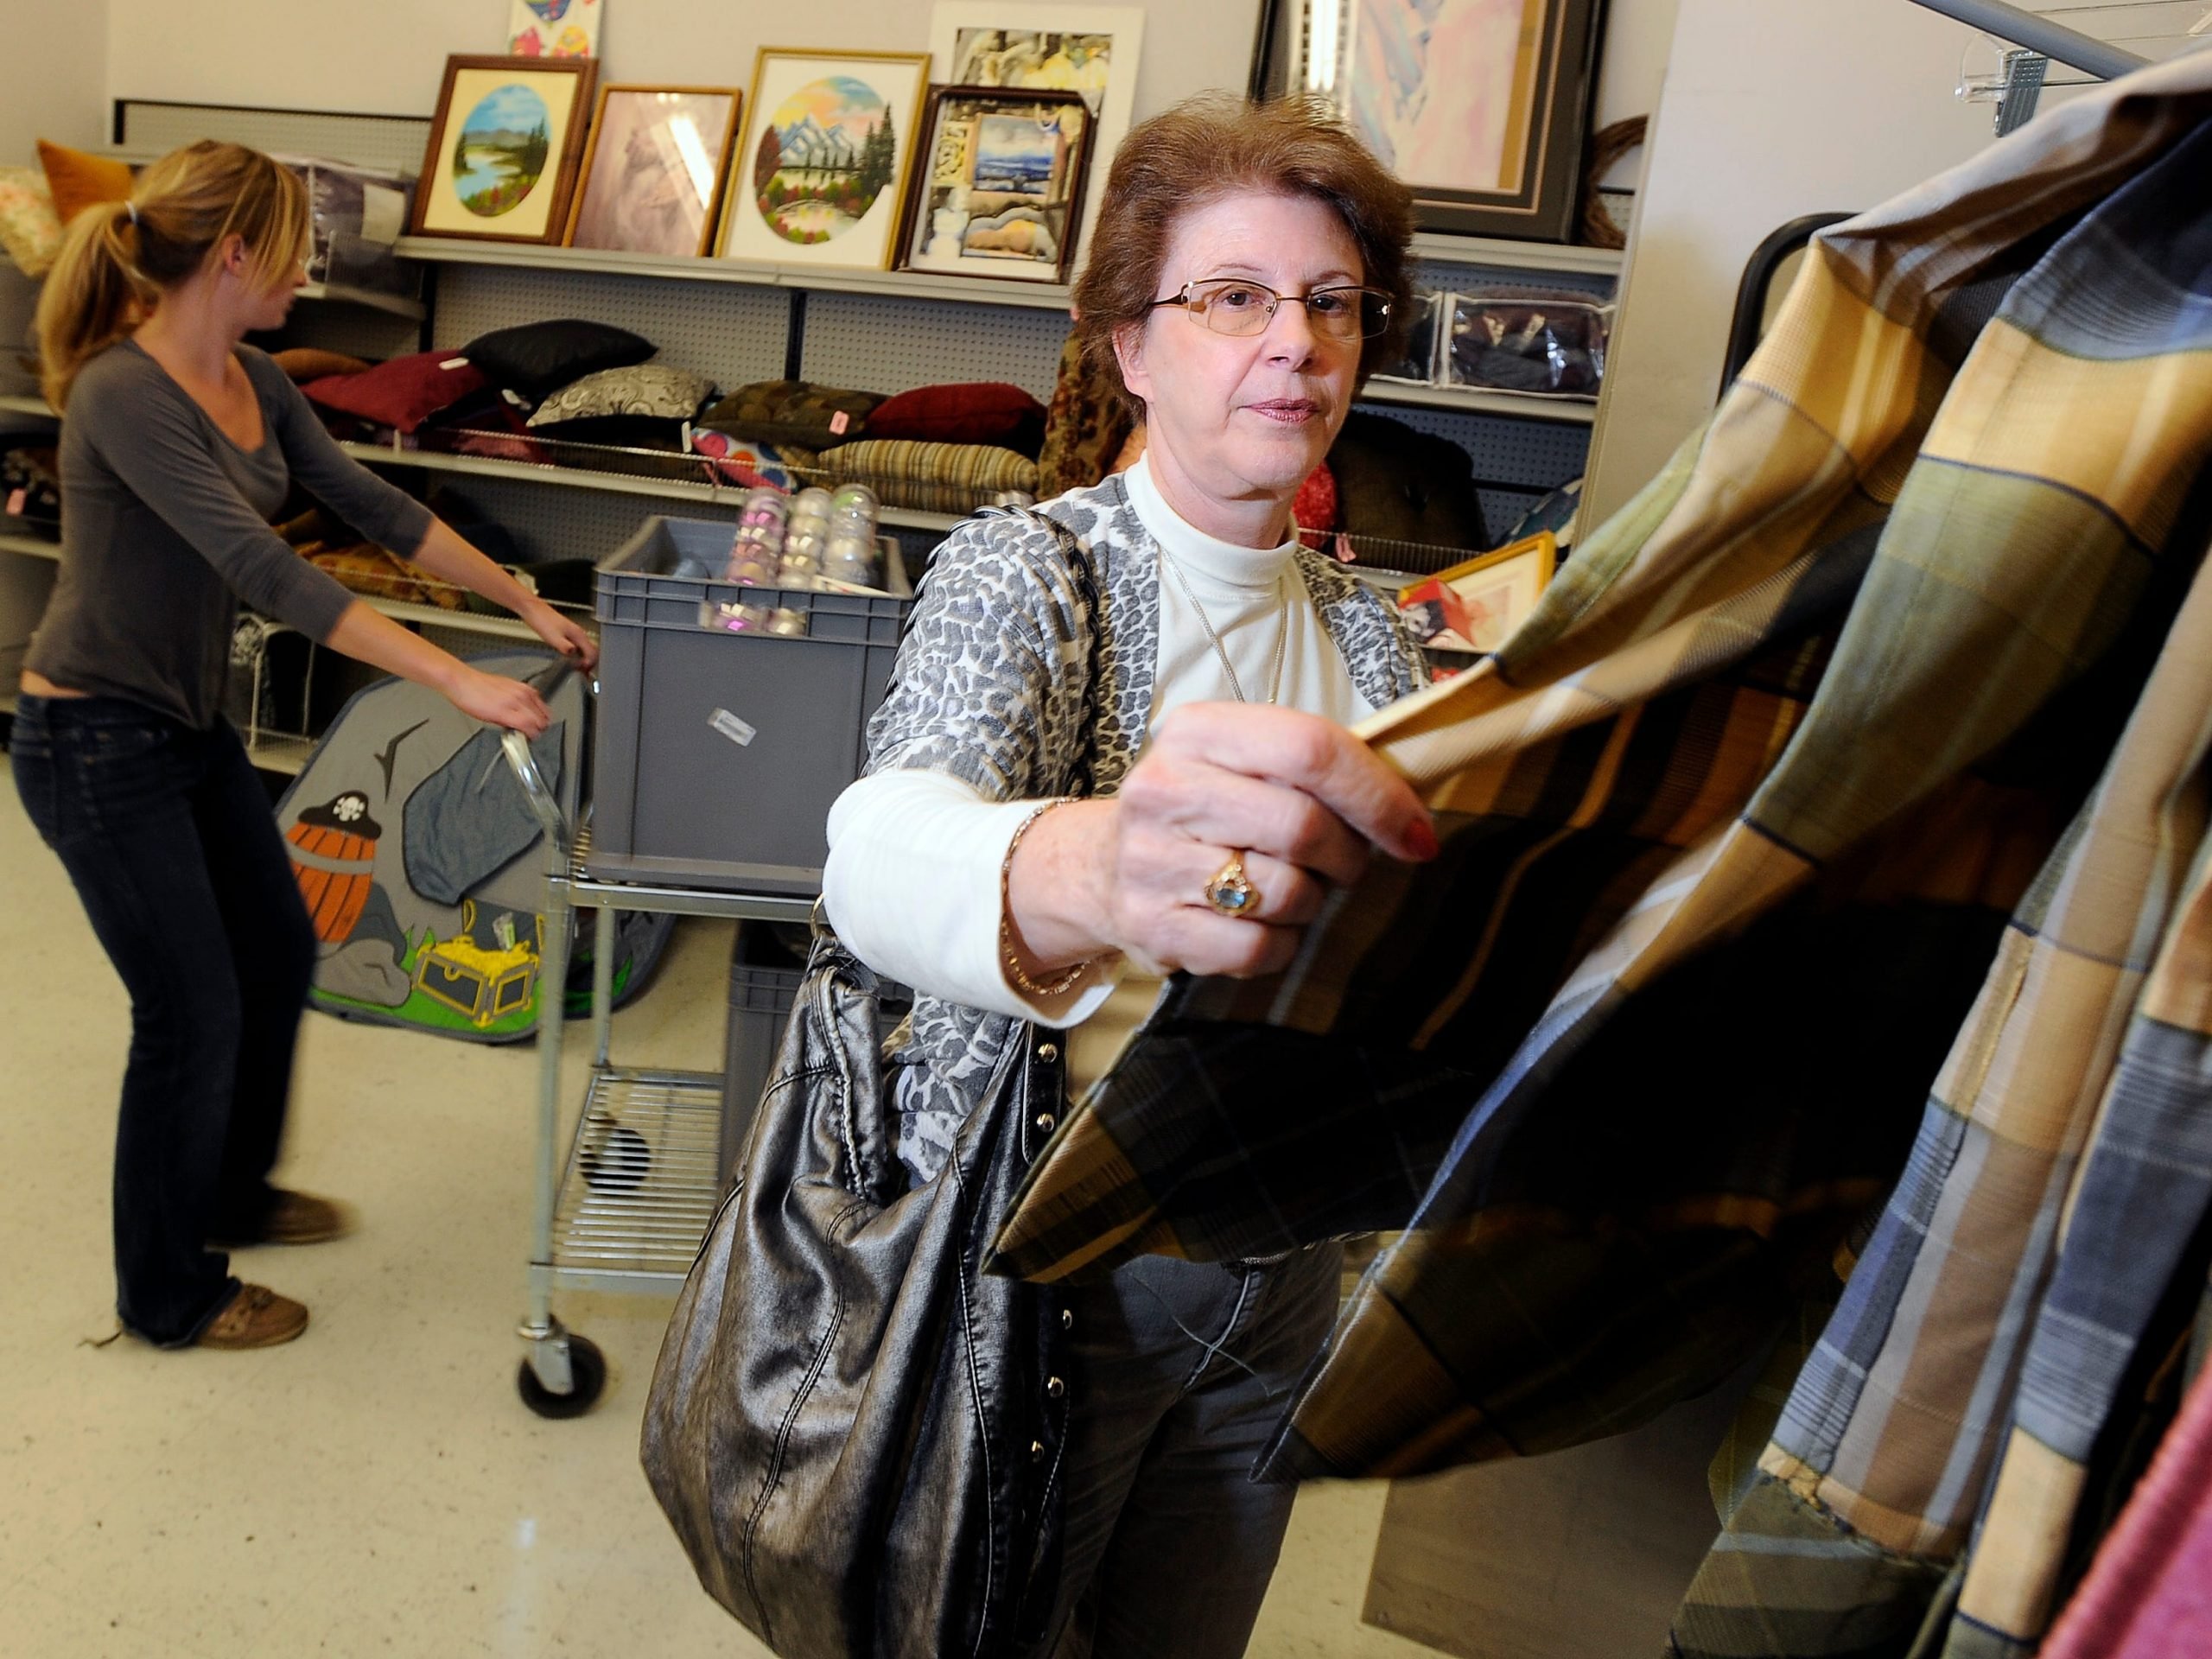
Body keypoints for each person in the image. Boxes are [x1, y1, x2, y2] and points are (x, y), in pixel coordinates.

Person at [823, 93, 1438, 1656]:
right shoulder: (1038, 570)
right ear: (1129, 345)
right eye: (1232, 297)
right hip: (1051, 1271)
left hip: (1285, 1281)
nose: (1292, 342)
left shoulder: (1374, 632)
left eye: (1328, 302)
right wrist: (1089, 866)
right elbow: (873, 853)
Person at [11, 141, 597, 1352]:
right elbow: (262, 567)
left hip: (183, 729)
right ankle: (168, 1291)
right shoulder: (127, 393)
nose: (310, 270)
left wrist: (528, 602)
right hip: (91, 738)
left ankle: (232, 1192)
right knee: (189, 1008)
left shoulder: (255, 376)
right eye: (297, 247)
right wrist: (454, 683)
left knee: (277, 951)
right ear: (235, 255)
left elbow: (375, 508)